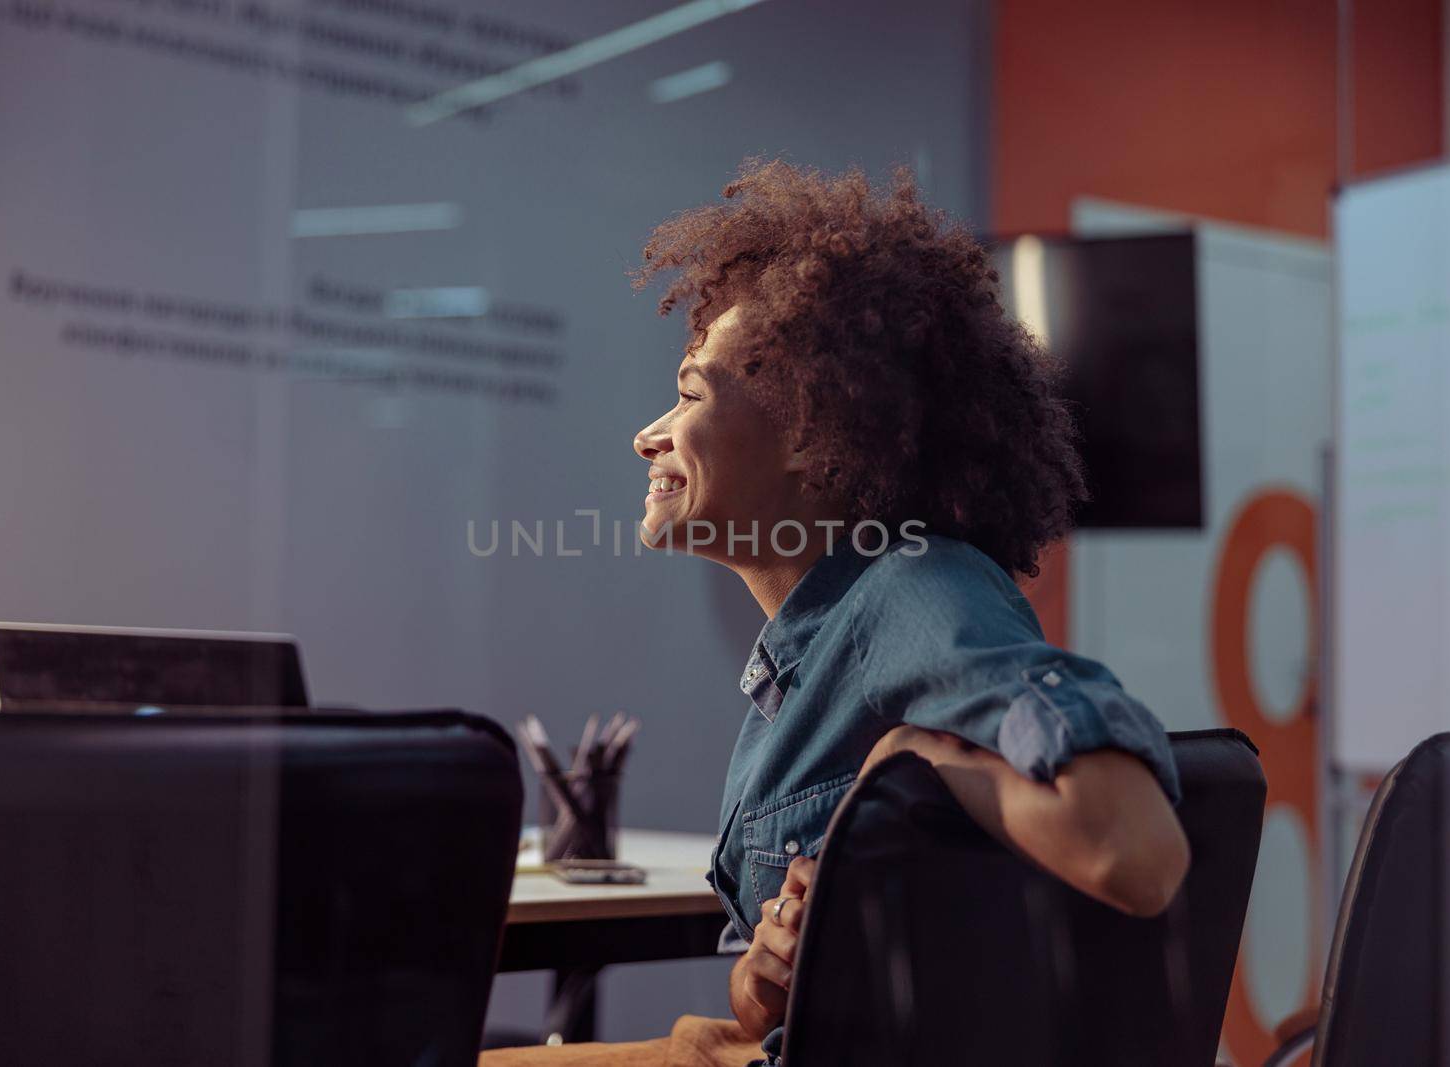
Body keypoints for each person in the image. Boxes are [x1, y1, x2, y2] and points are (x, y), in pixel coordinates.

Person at [480, 159, 1189, 1067]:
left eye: (691, 394)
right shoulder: (806, 666)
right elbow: (766, 1005)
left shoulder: (916, 589)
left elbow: (1136, 849)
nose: (648, 433)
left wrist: (917, 760)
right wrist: (771, 967)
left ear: (813, 437)